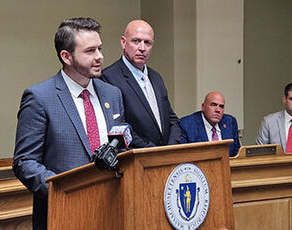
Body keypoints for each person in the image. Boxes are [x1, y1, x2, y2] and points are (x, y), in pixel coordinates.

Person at [12, 18, 149, 230]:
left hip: (113, 210)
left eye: (100, 49)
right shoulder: (40, 97)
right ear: (66, 56)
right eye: (90, 51)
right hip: (64, 214)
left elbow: (121, 142)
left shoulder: (112, 94)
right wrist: (66, 191)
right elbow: (25, 162)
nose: (100, 57)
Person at [102, 20, 181, 147]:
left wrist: (169, 148)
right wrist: (150, 151)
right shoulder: (108, 78)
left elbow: (172, 118)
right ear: (123, 42)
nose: (142, 48)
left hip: (165, 156)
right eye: (136, 41)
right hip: (137, 158)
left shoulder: (156, 77)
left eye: (147, 43)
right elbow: (118, 126)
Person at [180, 91, 240, 157]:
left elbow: (236, 154)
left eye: (221, 106)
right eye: (213, 105)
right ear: (203, 107)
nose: (218, 110)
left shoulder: (230, 122)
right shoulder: (186, 125)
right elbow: (183, 157)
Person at [256, 83, 292, 153]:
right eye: (291, 99)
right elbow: (260, 152)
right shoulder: (269, 122)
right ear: (284, 99)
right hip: (278, 163)